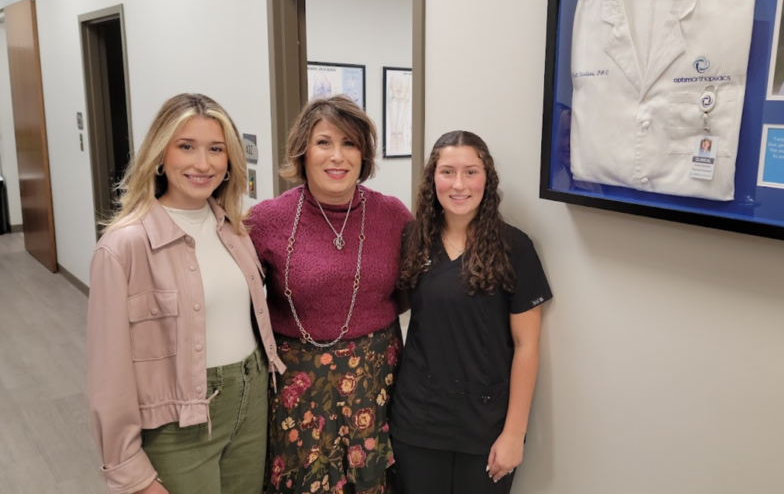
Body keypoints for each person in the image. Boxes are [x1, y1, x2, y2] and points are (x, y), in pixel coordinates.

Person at [87, 93, 286, 494]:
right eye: (186, 147)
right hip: (179, 423)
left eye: (216, 149)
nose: (203, 163)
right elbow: (108, 375)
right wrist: (129, 472)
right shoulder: (124, 245)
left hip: (251, 400)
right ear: (160, 155)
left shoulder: (235, 230)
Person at [247, 95, 411, 494]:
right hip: (301, 387)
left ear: (364, 155)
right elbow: (246, 304)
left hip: (378, 380)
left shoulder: (393, 216)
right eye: (324, 142)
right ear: (303, 150)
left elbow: (409, 291)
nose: (337, 156)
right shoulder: (267, 220)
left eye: (350, 144)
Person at [391, 131, 553, 494]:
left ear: (487, 178)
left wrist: (515, 433)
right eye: (447, 171)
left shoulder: (515, 247)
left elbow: (527, 345)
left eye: (471, 172)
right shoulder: (411, 239)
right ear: (433, 178)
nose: (459, 184)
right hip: (417, 418)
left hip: (486, 422)